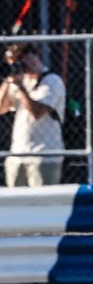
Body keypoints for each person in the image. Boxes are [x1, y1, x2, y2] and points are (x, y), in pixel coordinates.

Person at [0, 43, 66, 187]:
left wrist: (21, 89)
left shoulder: (51, 81)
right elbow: (1, 108)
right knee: (15, 204)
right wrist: (8, 81)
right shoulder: (19, 81)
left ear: (34, 57)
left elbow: (36, 112)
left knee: (41, 203)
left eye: (22, 61)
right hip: (18, 155)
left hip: (44, 156)